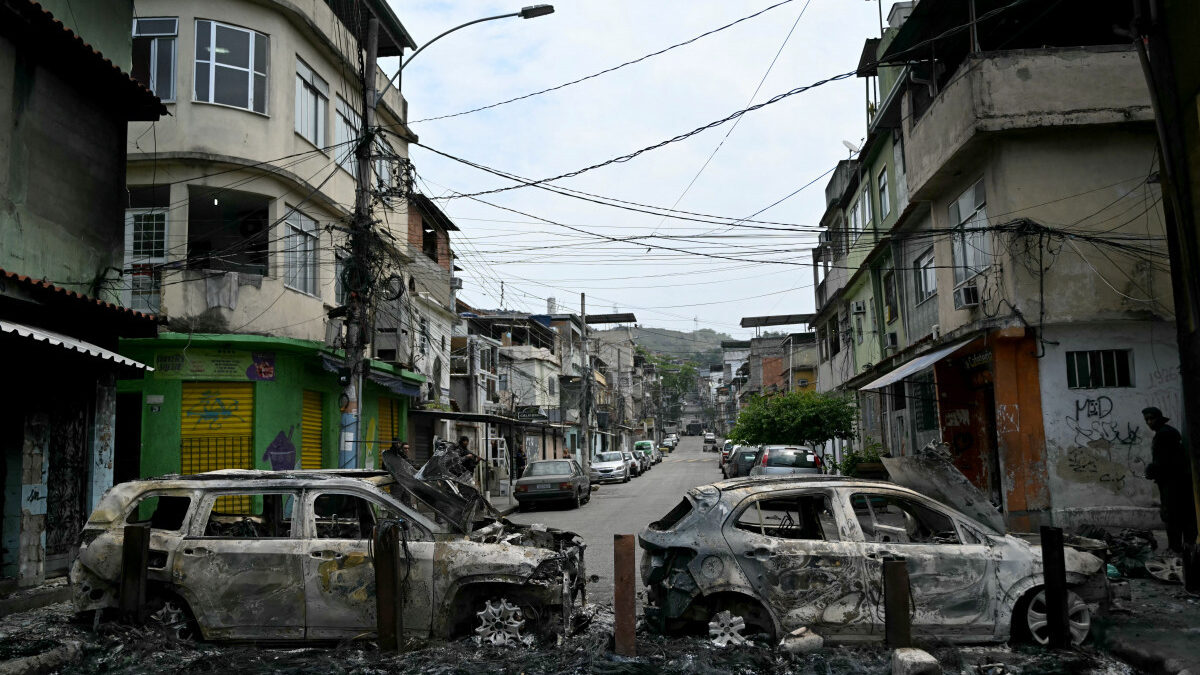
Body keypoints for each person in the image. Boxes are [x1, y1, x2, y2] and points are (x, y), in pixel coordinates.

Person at [1143, 406, 1198, 553]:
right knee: (1181, 515)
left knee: (1172, 516)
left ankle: (1176, 548)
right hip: (1176, 481)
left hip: (1172, 482)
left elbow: (1164, 461)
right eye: (1147, 419)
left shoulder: (1164, 435)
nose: (1149, 422)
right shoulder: (1167, 432)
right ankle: (1185, 546)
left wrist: (1151, 470)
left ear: (1159, 418)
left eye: (1151, 418)